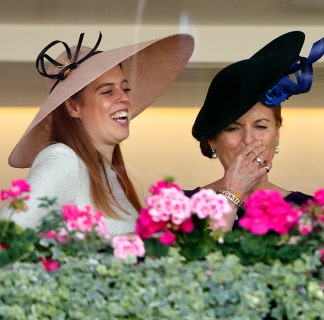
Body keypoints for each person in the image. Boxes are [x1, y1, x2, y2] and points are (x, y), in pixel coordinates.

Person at [0, 32, 195, 235]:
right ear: (73, 107)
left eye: (125, 89)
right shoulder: (64, 160)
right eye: (107, 91)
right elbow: (6, 238)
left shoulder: (109, 175)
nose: (124, 98)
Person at [188, 31, 324, 229]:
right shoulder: (181, 208)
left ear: (277, 134)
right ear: (213, 140)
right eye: (233, 128)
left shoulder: (309, 211)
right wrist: (231, 193)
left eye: (261, 126)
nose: (248, 139)